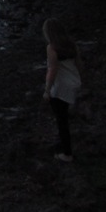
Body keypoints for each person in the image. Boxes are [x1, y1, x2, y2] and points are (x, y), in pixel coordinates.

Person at [42, 18, 84, 162]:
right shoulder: (72, 45)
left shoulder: (52, 48)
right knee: (65, 117)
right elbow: (79, 64)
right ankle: (64, 146)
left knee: (62, 121)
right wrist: (82, 80)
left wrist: (47, 90)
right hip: (74, 82)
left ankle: (67, 153)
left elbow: (52, 69)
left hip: (60, 87)